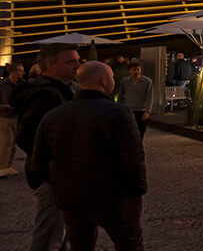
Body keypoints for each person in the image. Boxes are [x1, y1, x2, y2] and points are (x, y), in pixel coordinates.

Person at [27, 60, 146, 251]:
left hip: (73, 198)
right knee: (129, 244)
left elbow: (38, 161)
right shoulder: (119, 113)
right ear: (104, 80)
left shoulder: (54, 115)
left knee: (80, 246)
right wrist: (137, 190)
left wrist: (61, 187)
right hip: (114, 199)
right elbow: (133, 159)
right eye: (112, 78)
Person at [14, 44, 80, 251]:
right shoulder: (47, 94)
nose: (78, 65)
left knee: (62, 233)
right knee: (49, 237)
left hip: (59, 174)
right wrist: (54, 164)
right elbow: (27, 136)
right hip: (51, 175)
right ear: (51, 64)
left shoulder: (65, 89)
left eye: (78, 60)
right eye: (71, 61)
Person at [116, 59, 153, 137]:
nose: (136, 71)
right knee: (129, 130)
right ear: (129, 71)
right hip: (129, 109)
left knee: (140, 130)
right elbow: (121, 95)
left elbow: (149, 96)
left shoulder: (147, 81)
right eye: (134, 70)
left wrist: (147, 111)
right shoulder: (125, 81)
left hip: (141, 109)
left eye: (138, 69)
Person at [1, 61, 25, 177]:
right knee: (7, 142)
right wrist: (5, 106)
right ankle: (2, 167)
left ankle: (9, 166)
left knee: (14, 143)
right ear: (12, 72)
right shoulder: (2, 85)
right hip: (4, 115)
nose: (23, 73)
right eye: (20, 70)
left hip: (18, 116)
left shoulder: (23, 85)